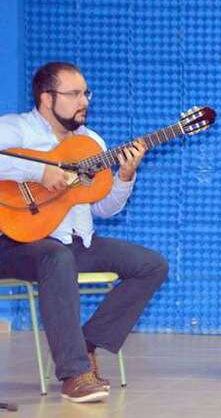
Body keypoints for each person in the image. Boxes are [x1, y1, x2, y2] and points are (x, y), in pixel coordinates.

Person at [0, 61, 169, 403]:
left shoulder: (91, 143)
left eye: (86, 93)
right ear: (47, 97)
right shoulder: (15, 129)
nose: (84, 101)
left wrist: (124, 177)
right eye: (74, 94)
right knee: (56, 257)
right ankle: (75, 374)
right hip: (14, 241)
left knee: (152, 265)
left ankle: (86, 344)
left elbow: (103, 208)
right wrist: (38, 172)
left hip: (76, 242)